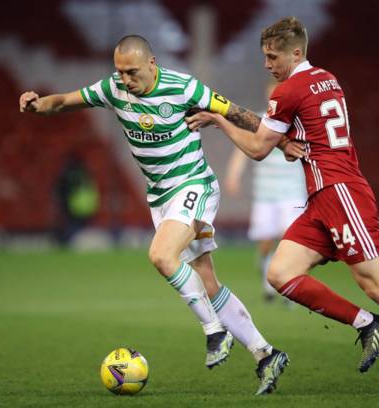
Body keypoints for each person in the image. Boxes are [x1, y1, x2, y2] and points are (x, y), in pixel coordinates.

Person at [186, 17, 379, 395]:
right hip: (322, 197)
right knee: (280, 273)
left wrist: (220, 120)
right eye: (265, 57)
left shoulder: (287, 91)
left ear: (297, 52)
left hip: (342, 193)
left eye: (273, 57)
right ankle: (367, 324)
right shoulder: (326, 77)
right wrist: (291, 142)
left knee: (377, 284)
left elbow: (256, 149)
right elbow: (310, 127)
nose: (267, 64)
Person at [18, 35, 291, 395]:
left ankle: (214, 332)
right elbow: (65, 102)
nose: (126, 79)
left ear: (152, 63)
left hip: (194, 185)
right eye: (120, 72)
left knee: (162, 255)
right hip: (160, 198)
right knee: (207, 284)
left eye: (132, 72)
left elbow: (238, 112)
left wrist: (285, 142)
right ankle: (265, 353)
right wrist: (38, 105)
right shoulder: (114, 88)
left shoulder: (183, 87)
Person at [224, 79, 307, 303]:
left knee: (289, 240)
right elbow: (243, 150)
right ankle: (267, 277)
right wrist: (233, 175)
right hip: (265, 193)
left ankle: (287, 286)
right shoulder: (260, 121)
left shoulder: (300, 123)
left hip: (292, 192)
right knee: (265, 243)